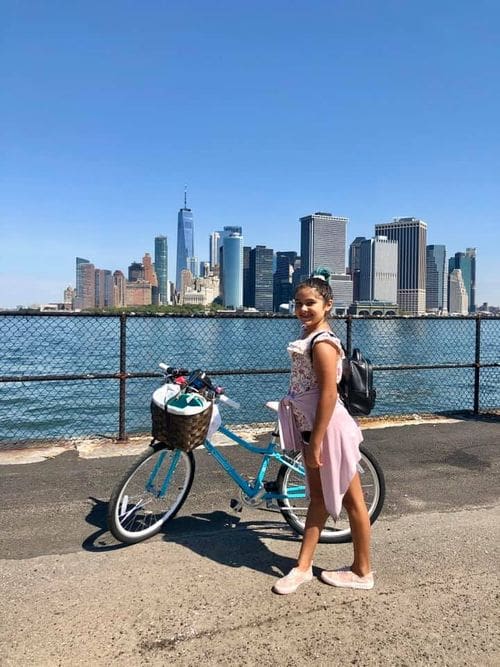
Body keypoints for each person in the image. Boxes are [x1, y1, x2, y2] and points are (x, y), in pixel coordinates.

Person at [273, 267, 374, 594]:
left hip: (328, 430)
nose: (303, 309)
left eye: (311, 303)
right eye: (298, 303)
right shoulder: (308, 336)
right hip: (312, 427)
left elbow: (329, 393)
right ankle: (303, 568)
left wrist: (315, 441)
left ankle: (362, 571)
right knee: (317, 498)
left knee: (354, 501)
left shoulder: (323, 342)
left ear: (327, 305)